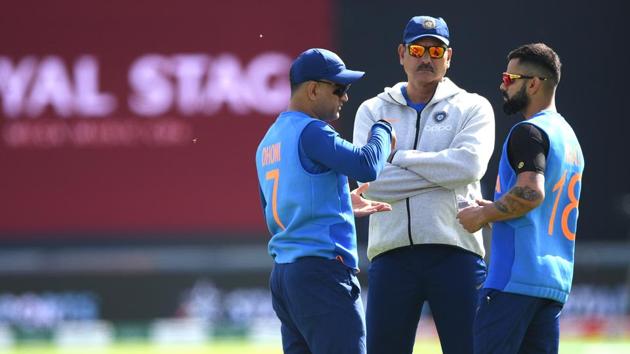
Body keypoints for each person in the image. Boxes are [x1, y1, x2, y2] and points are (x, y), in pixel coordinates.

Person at [352, 16, 495, 354]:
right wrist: (442, 172)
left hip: (456, 252)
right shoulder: (373, 110)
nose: (426, 58)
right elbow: (370, 182)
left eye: (436, 50)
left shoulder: (473, 106)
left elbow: (469, 166)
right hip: (392, 255)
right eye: (417, 49)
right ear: (402, 53)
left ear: (449, 57)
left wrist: (398, 156)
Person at [255, 48, 396, 354]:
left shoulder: (269, 140)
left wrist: (340, 202)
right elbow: (367, 164)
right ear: (313, 89)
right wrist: (383, 129)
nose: (344, 97)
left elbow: (277, 206)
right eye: (339, 88)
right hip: (321, 271)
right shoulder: (313, 131)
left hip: (285, 276)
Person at [457, 43, 584, 354]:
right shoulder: (569, 138)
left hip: (514, 280)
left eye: (509, 77)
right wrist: (496, 209)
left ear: (533, 83)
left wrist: (483, 216)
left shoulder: (528, 131)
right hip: (552, 285)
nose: (503, 85)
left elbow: (531, 192)